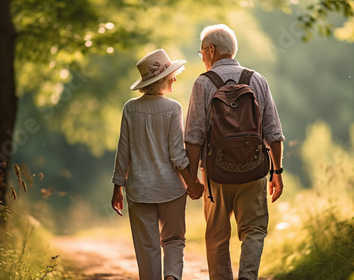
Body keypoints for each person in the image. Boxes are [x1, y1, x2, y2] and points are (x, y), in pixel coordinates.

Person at [184, 24, 285, 280]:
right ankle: (248, 277)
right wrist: (277, 171)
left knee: (217, 236)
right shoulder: (257, 79)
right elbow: (274, 132)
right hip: (253, 172)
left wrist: (193, 178)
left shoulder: (203, 83)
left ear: (211, 50)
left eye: (202, 53)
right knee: (254, 230)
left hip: (216, 176)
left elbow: (194, 137)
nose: (203, 57)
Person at [111, 49, 204, 280]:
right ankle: (172, 277)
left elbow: (123, 151)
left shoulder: (130, 108)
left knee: (147, 247)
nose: (174, 78)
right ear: (161, 79)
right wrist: (191, 182)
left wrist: (117, 187)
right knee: (173, 240)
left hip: (140, 190)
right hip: (171, 189)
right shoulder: (173, 108)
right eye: (171, 75)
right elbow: (177, 154)